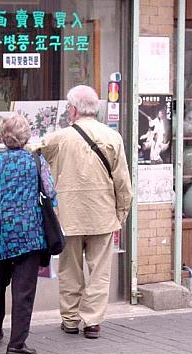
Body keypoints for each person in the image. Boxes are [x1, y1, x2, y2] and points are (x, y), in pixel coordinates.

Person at [33, 85, 132, 339]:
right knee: (100, 272)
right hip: (103, 215)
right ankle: (92, 322)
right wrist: (121, 213)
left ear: (73, 110)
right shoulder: (113, 138)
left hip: (68, 216)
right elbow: (123, 183)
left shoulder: (60, 138)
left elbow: (33, 151)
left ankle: (70, 319)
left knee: (70, 270)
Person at [0, 114, 57, 354]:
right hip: (28, 231)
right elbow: (50, 193)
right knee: (23, 289)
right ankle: (17, 344)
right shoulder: (35, 161)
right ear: (26, 136)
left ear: (2, 136)